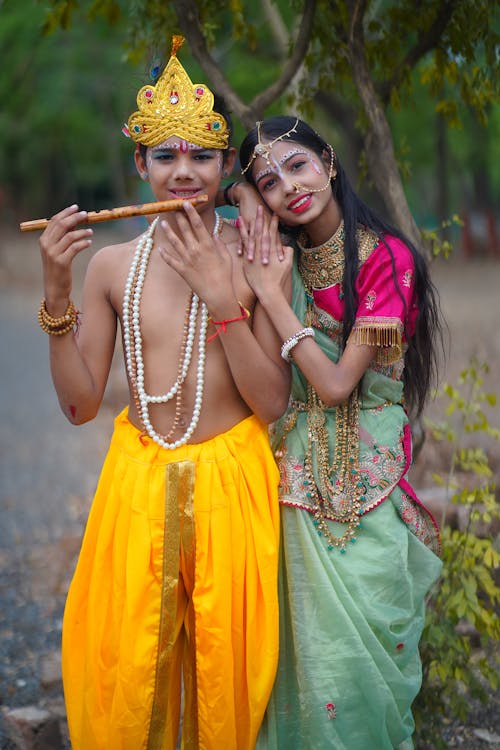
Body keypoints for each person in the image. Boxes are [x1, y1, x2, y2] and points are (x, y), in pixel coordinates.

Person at [37, 38, 290, 750]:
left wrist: (225, 297)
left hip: (232, 486)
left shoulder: (260, 253)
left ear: (223, 165)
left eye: (201, 157)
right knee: (128, 675)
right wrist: (58, 295)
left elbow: (271, 403)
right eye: (165, 157)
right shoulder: (113, 266)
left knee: (226, 681)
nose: (184, 174)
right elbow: (81, 405)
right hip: (137, 487)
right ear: (139, 165)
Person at [227, 116, 444, 749]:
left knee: (360, 659)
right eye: (269, 182)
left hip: (368, 478)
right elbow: (212, 190)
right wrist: (242, 194)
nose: (288, 188)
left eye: (297, 166)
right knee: (300, 654)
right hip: (290, 473)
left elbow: (335, 386)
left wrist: (270, 299)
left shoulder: (385, 257)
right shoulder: (283, 257)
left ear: (329, 160)